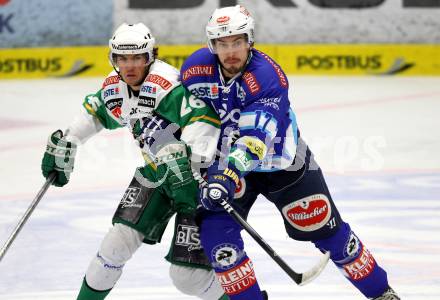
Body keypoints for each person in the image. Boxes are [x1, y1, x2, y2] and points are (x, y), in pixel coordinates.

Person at [180, 5, 401, 300]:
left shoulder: (267, 77)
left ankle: (381, 293)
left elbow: (255, 141)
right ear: (212, 45)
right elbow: (184, 115)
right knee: (217, 238)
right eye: (222, 43)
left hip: (284, 164)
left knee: (329, 233)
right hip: (227, 166)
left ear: (250, 41)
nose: (230, 51)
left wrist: (227, 173)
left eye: (237, 42)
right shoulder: (195, 71)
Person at [41, 23, 229, 300]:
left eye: (137, 58)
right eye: (122, 58)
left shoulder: (168, 87)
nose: (129, 66)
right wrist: (69, 141)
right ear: (113, 59)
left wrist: (189, 156)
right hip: (157, 174)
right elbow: (94, 112)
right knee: (114, 246)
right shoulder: (115, 88)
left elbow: (204, 119)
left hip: (200, 181)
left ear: (150, 57)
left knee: (187, 277)